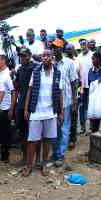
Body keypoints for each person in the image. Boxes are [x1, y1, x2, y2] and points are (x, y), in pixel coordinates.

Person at [24, 49, 63, 177]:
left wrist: (60, 112)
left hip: (51, 112)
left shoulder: (57, 73)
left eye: (48, 55)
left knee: (47, 140)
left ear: (52, 57)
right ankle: (29, 165)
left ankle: (44, 164)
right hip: (36, 112)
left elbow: (60, 93)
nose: (45, 58)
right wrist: (26, 109)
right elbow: (29, 90)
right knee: (33, 141)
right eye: (43, 56)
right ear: (41, 58)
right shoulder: (36, 72)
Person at [52, 42, 76, 165]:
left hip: (66, 101)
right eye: (53, 48)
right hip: (54, 102)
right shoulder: (52, 64)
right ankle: (55, 153)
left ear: (61, 48)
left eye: (56, 47)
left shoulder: (69, 63)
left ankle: (60, 155)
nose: (54, 50)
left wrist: (74, 101)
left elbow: (73, 83)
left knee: (64, 128)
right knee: (54, 128)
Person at [13, 48, 36, 166]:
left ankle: (31, 159)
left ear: (29, 56)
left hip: (34, 105)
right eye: (21, 56)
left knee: (32, 133)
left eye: (24, 56)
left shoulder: (36, 68)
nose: (22, 58)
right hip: (21, 104)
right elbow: (16, 87)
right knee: (22, 131)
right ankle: (24, 157)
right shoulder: (20, 69)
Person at [0, 54, 14, 163]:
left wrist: (11, 108)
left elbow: (13, 91)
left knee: (5, 132)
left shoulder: (7, 74)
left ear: (3, 61)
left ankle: (6, 154)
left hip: (5, 108)